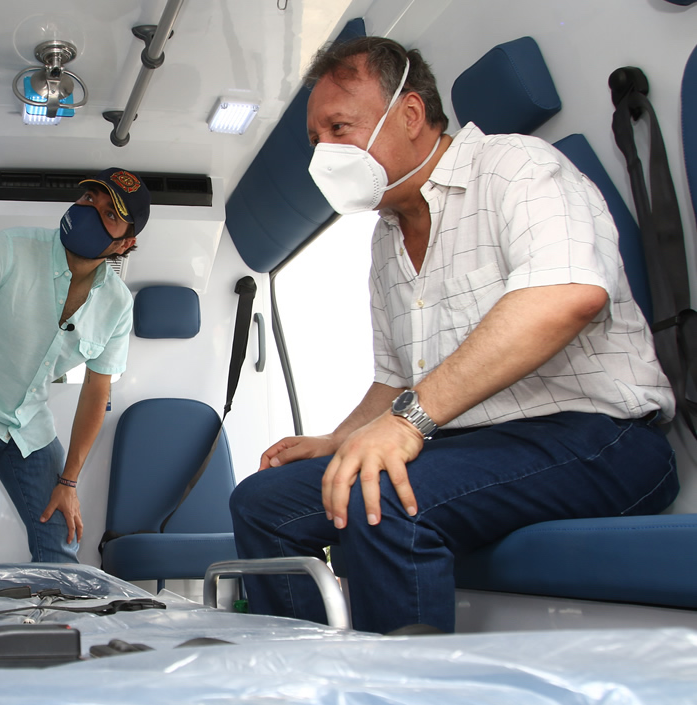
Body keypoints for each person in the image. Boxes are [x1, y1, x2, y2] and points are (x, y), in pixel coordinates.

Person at [229, 36, 679, 634]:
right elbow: (396, 381)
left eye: (340, 128)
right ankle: (314, 675)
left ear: (410, 114)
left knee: (381, 498)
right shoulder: (386, 239)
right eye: (316, 142)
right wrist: (338, 439)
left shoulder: (519, 167)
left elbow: (567, 297)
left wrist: (408, 423)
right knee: (261, 504)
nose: (324, 155)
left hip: (603, 437)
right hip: (473, 448)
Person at [0, 168, 150, 577]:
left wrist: (68, 483)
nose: (91, 212)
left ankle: (52, 636)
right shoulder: (14, 248)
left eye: (109, 214)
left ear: (125, 242)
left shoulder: (118, 304)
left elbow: (95, 393)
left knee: (61, 540)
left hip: (27, 422)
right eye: (90, 199)